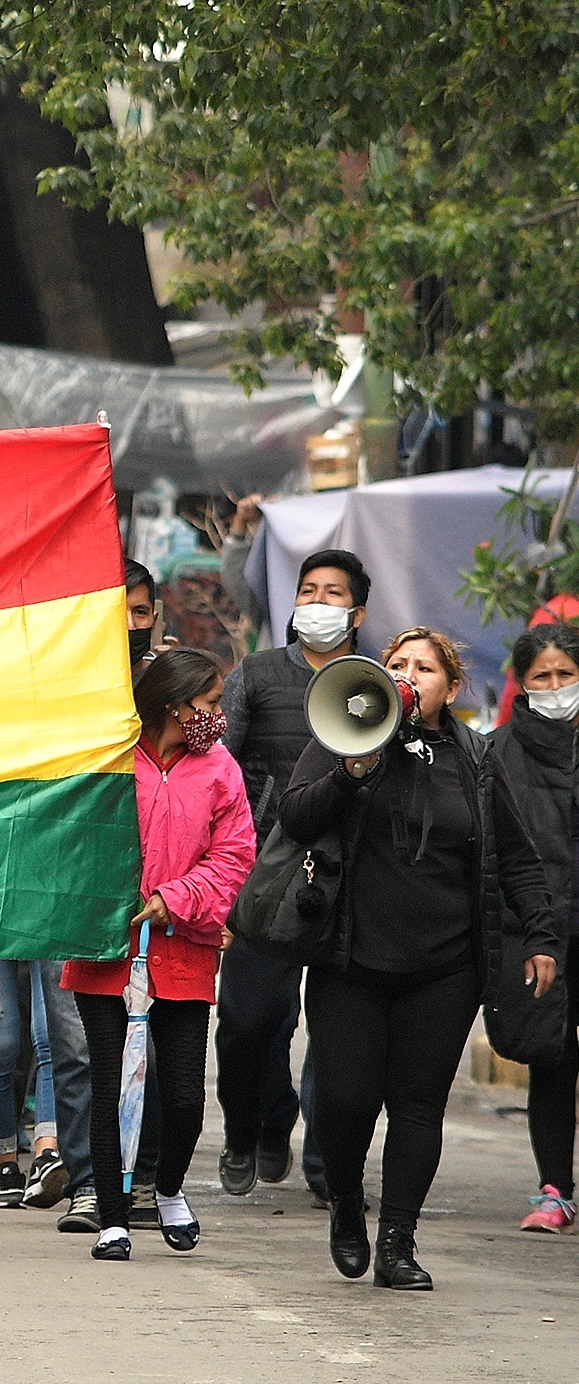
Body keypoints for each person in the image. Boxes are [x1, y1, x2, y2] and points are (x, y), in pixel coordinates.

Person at [279, 627, 561, 1289]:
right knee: (344, 1102)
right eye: (396, 664)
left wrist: (541, 934)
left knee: (416, 1105)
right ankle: (346, 1198)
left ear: (451, 688)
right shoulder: (345, 737)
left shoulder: (475, 759)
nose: (409, 675)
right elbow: (296, 817)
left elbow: (516, 856)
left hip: (444, 968)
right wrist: (353, 769)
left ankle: (398, 1240)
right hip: (351, 961)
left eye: (424, 668)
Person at [65, 647, 255, 1261]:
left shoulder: (222, 768)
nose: (218, 716)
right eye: (210, 704)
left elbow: (234, 856)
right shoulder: (112, 758)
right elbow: (75, 841)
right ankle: (112, 1218)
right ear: (175, 705)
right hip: (106, 951)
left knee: (181, 1095)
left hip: (185, 952)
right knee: (110, 1086)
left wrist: (178, 898)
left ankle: (167, 1188)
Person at [215, 546, 368, 1200]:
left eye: (334, 592)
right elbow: (219, 768)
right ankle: (254, 1125)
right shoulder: (256, 673)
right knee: (251, 1021)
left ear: (357, 610)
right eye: (309, 589)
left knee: (340, 1034)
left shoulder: (375, 680)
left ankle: (329, 1168)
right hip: (265, 874)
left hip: (350, 878)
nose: (319, 602)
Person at [489, 620, 579, 1234]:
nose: (554, 687)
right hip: (539, 927)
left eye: (566, 675)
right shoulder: (497, 753)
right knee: (551, 1055)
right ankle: (556, 1191)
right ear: (522, 684)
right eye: (541, 677)